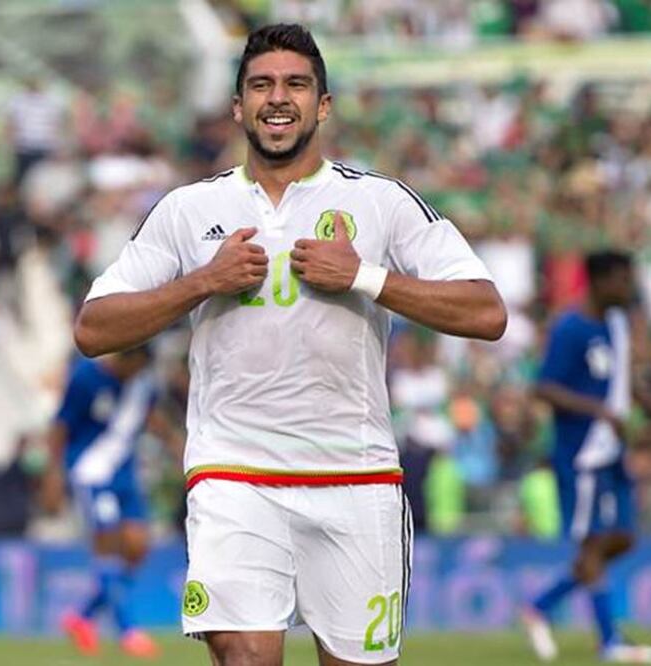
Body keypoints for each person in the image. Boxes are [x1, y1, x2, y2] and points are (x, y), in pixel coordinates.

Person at [73, 23, 506, 666]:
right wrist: (202, 282)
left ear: (323, 105)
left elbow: (487, 311)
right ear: (238, 105)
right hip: (234, 475)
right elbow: (93, 328)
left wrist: (361, 275)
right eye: (261, 85)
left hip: (356, 479)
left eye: (296, 84)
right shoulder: (190, 210)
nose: (279, 98)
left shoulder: (379, 202)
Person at [521, 251, 651, 664]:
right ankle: (608, 640)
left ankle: (541, 606)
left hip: (612, 449)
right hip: (581, 452)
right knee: (593, 542)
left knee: (624, 537)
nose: (628, 288)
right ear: (598, 282)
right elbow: (543, 388)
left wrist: (645, 400)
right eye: (622, 280)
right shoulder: (570, 328)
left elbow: (616, 376)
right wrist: (598, 411)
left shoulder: (617, 323)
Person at [42, 345, 173, 659]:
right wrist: (53, 476)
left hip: (125, 475)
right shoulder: (86, 377)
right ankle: (129, 630)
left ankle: (83, 616)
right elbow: (60, 426)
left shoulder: (142, 384)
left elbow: (151, 417)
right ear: (125, 358)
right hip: (91, 472)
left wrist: (174, 444)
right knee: (108, 545)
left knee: (137, 546)